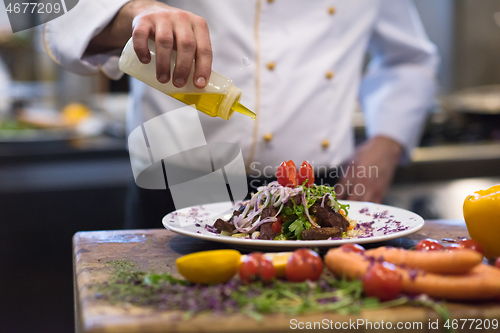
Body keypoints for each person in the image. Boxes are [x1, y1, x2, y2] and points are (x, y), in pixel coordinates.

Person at [44, 0, 438, 228]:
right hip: (178, 186)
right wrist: (133, 11)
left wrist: (387, 142)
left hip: (318, 196)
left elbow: (408, 58)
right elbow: (51, 12)